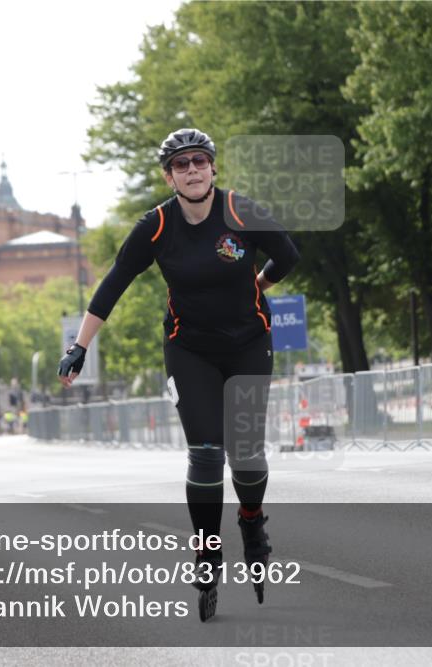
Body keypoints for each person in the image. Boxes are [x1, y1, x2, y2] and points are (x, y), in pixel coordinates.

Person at [58, 128, 299, 621]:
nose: (192, 170)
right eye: (181, 164)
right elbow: (113, 284)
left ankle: (252, 522)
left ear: (213, 168)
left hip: (249, 345)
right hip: (189, 350)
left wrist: (258, 283)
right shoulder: (157, 226)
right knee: (207, 452)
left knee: (247, 455)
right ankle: (209, 551)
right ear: (169, 176)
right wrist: (78, 346)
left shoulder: (240, 212)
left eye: (200, 161)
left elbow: (289, 255)